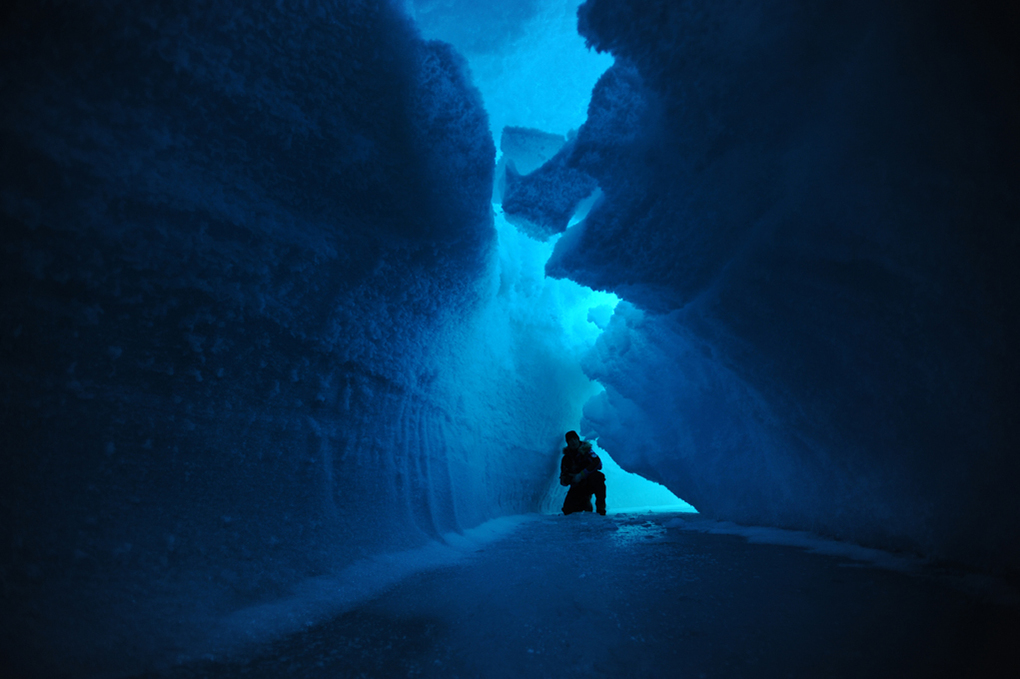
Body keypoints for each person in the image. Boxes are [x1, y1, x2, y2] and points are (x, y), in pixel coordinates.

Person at [560, 430, 607, 515]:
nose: (573, 442)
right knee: (568, 511)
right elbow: (563, 480)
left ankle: (601, 509)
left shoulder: (587, 451)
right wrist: (568, 479)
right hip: (578, 486)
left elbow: (598, 463)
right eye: (570, 440)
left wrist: (581, 474)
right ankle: (585, 502)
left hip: (590, 483)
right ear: (568, 443)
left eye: (574, 439)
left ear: (578, 439)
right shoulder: (566, 459)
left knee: (598, 477)